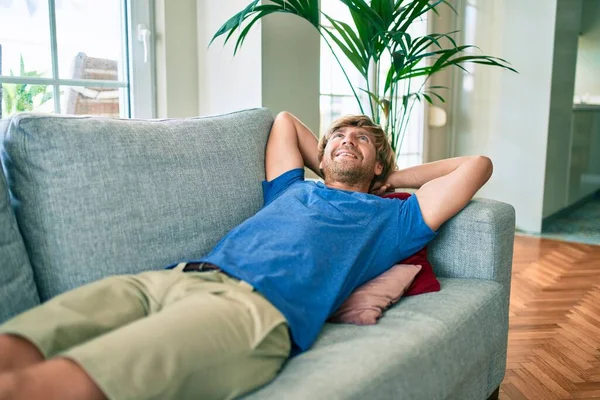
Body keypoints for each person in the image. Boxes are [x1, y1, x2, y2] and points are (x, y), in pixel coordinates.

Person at [0, 111, 493, 400]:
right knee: (18, 343)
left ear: (380, 161)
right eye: (338, 136)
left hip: (251, 314)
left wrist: (394, 177)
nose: (348, 140)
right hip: (170, 280)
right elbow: (283, 123)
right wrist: (331, 154)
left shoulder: (393, 219)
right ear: (318, 157)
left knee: (40, 385)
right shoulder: (291, 193)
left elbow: (477, 165)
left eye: (363, 139)